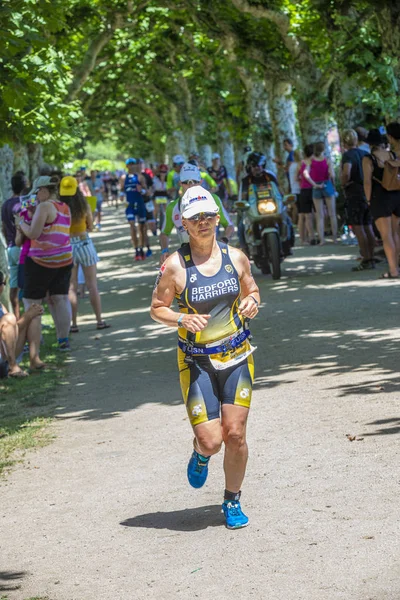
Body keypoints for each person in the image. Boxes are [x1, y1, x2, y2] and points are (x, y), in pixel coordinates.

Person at [151, 185, 260, 529]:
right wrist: (181, 318)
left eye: (209, 216)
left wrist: (252, 302)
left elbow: (253, 289)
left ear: (218, 217)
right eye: (195, 217)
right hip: (196, 361)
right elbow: (156, 308)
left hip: (237, 355)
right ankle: (200, 453)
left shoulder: (236, 257)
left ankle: (232, 500)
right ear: (183, 222)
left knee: (236, 434)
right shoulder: (174, 266)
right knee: (213, 441)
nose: (203, 223)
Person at [17, 175, 73, 364]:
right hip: (64, 259)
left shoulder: (44, 206)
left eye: (37, 192)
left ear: (43, 190)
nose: (35, 196)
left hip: (42, 261)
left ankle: (35, 345)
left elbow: (34, 233)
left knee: (32, 303)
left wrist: (21, 223)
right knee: (60, 298)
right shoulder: (64, 207)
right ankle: (63, 340)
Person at [59, 176, 110, 332]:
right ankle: (99, 321)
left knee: (72, 287)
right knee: (92, 285)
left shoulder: (60, 207)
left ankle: (73, 324)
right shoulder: (84, 205)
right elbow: (91, 227)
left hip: (68, 246)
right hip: (85, 243)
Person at [159, 163, 234, 263]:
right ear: (180, 183)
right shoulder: (172, 207)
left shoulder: (213, 200)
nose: (191, 185)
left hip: (213, 253)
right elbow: (164, 233)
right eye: (186, 182)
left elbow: (229, 225)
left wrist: (225, 240)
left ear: (201, 182)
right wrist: (165, 251)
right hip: (188, 256)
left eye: (195, 182)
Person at [363, 127, 400, 279]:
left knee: (386, 236)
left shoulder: (368, 159)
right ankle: (396, 266)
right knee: (395, 233)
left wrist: (368, 200)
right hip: (396, 196)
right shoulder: (392, 154)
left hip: (380, 198)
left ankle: (393, 271)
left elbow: (367, 182)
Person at [340, 129, 375, 271]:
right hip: (368, 192)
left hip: (354, 193)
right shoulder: (365, 153)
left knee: (358, 227)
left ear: (344, 142)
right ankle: (371, 256)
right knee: (368, 226)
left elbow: (346, 172)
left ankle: (366, 258)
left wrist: (344, 182)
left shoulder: (348, 156)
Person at [0, 271, 44, 378]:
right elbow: (9, 328)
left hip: (5, 351)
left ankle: (34, 359)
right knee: (10, 318)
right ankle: (12, 366)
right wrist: (27, 315)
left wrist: (29, 315)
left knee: (34, 316)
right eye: (4, 284)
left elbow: (11, 330)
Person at [1, 171, 28, 318]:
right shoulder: (24, 203)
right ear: (25, 185)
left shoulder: (5, 204)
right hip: (23, 248)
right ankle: (29, 317)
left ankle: (17, 320)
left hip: (10, 247)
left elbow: (4, 227)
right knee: (27, 286)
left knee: (14, 286)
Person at [304, 142, 337, 245]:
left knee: (320, 215)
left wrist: (314, 184)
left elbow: (305, 173)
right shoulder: (327, 160)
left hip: (316, 187)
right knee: (332, 214)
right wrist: (333, 185)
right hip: (327, 185)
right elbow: (332, 174)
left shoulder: (311, 161)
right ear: (323, 150)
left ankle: (322, 240)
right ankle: (334, 238)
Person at [121, 158, 149, 261]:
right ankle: (136, 250)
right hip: (130, 205)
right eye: (130, 164)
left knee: (141, 228)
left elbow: (147, 191)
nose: (132, 166)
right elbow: (121, 190)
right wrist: (121, 196)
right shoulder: (124, 178)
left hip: (140, 204)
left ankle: (141, 249)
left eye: (134, 164)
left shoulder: (140, 177)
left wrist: (141, 190)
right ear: (127, 166)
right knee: (132, 226)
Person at [297, 145, 316, 244]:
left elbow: (297, 177)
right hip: (315, 189)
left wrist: (301, 182)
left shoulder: (301, 163)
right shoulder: (315, 161)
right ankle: (315, 236)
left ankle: (310, 237)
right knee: (317, 214)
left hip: (304, 190)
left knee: (307, 215)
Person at [153, 164, 169, 232]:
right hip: (157, 194)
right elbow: (156, 187)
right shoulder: (155, 178)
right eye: (161, 172)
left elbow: (168, 187)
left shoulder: (168, 178)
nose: (163, 173)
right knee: (156, 209)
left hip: (165, 195)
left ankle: (165, 223)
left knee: (166, 210)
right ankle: (155, 221)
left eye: (164, 172)